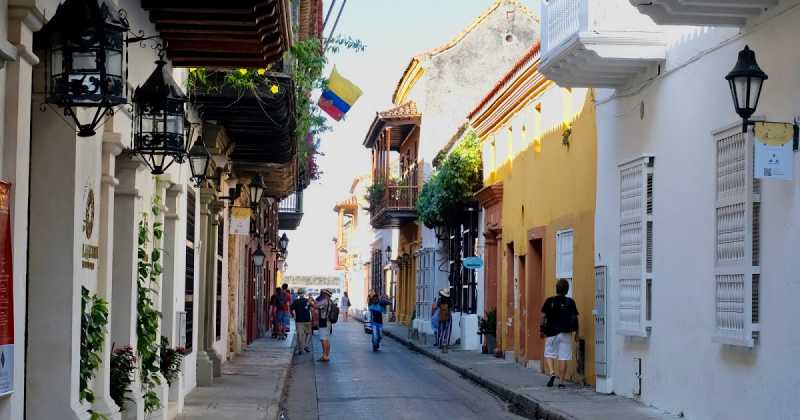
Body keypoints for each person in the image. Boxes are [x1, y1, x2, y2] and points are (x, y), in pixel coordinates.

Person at [540, 279, 579, 388]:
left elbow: (543, 317)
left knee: (549, 353)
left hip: (552, 333)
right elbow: (575, 318)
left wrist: (541, 330)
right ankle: (561, 382)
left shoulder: (549, 301)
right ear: (567, 290)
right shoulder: (571, 302)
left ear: (556, 289)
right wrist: (577, 333)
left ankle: (552, 372)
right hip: (566, 333)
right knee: (563, 357)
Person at [291, 289, 312, 355]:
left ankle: (300, 349)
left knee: (300, 335)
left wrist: (294, 315)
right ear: (304, 293)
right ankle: (306, 345)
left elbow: (291, 309)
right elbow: (310, 309)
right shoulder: (307, 301)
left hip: (299, 320)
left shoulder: (296, 301)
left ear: (298, 294)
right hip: (307, 320)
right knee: (308, 333)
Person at [316, 289, 334, 362]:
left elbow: (316, 306)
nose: (322, 295)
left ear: (326, 295)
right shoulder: (330, 301)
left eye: (323, 294)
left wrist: (311, 302)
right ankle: (327, 355)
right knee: (326, 339)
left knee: (323, 339)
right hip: (328, 322)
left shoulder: (324, 301)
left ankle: (324, 356)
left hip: (324, 321)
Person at [435, 288, 452, 353]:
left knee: (440, 329)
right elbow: (451, 308)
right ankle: (445, 344)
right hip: (448, 316)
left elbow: (437, 306)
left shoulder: (440, 300)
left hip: (440, 315)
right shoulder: (449, 300)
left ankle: (440, 343)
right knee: (447, 330)